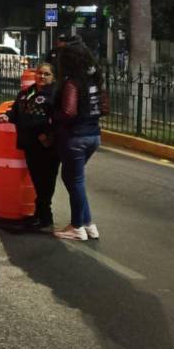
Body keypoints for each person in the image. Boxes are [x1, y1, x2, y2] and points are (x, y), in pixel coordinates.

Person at [52, 44, 107, 241]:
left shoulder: (73, 82)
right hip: (93, 135)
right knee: (74, 179)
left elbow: (68, 111)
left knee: (74, 180)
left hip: (76, 137)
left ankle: (76, 226)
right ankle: (88, 224)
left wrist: (52, 117)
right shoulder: (95, 80)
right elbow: (104, 107)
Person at [0, 62, 59, 230]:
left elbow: (59, 118)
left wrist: (47, 135)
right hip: (29, 144)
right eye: (40, 73)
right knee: (38, 180)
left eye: (47, 74)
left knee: (46, 182)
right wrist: (8, 116)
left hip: (47, 146)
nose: (42, 77)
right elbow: (16, 111)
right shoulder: (26, 93)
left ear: (53, 77)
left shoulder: (55, 95)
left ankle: (44, 217)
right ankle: (40, 216)